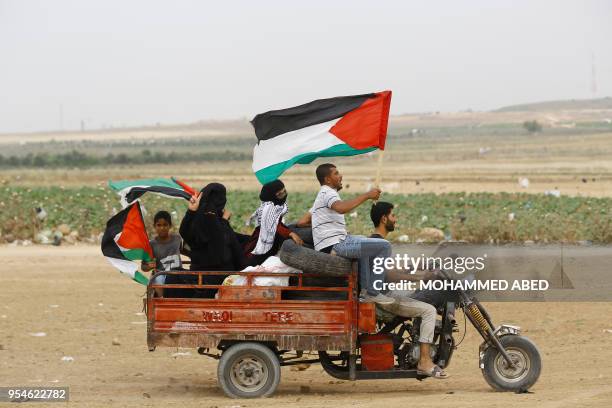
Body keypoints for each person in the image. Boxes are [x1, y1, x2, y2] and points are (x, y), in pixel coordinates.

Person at [370, 202, 449, 379]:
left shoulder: (376, 241)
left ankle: (420, 344)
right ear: (384, 219)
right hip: (383, 299)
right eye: (393, 216)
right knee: (429, 310)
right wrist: (420, 278)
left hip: (382, 295)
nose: (395, 219)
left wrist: (422, 264)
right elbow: (390, 275)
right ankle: (425, 362)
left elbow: (395, 267)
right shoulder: (379, 243)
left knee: (420, 298)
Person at [296, 163, 394, 305]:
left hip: (333, 242)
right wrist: (367, 195)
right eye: (336, 173)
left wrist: (323, 226)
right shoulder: (327, 192)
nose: (340, 175)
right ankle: (373, 292)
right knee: (384, 246)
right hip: (335, 245)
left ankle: (365, 291)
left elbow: (301, 222)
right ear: (328, 180)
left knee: (362, 240)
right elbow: (341, 208)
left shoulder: (321, 197)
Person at [179, 183, 246, 297]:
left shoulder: (197, 222)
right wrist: (224, 221)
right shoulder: (221, 225)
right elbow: (222, 242)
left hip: (197, 278)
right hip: (222, 280)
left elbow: (184, 232)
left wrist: (191, 212)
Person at [243, 179, 304, 266]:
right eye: (280, 194)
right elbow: (272, 225)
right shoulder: (268, 208)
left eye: (284, 191)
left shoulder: (275, 205)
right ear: (271, 196)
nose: (284, 195)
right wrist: (290, 233)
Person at [141, 210, 185, 297]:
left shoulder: (177, 239)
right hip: (161, 275)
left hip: (178, 274)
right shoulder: (151, 245)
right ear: (154, 226)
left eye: (165, 225)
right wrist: (149, 266)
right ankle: (162, 301)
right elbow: (143, 266)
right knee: (158, 279)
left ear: (170, 226)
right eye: (159, 225)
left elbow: (185, 250)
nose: (162, 228)